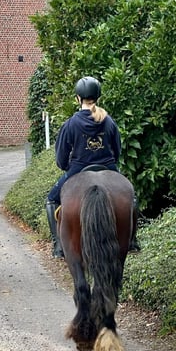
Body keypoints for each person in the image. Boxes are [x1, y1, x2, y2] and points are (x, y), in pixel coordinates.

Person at [46, 76, 122, 258]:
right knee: (131, 196)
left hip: (78, 170)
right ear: (97, 97)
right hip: (108, 168)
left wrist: (66, 167)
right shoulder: (109, 121)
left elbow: (61, 159)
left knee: (51, 199)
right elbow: (117, 151)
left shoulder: (71, 124)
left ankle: (58, 245)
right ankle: (132, 239)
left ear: (78, 99)